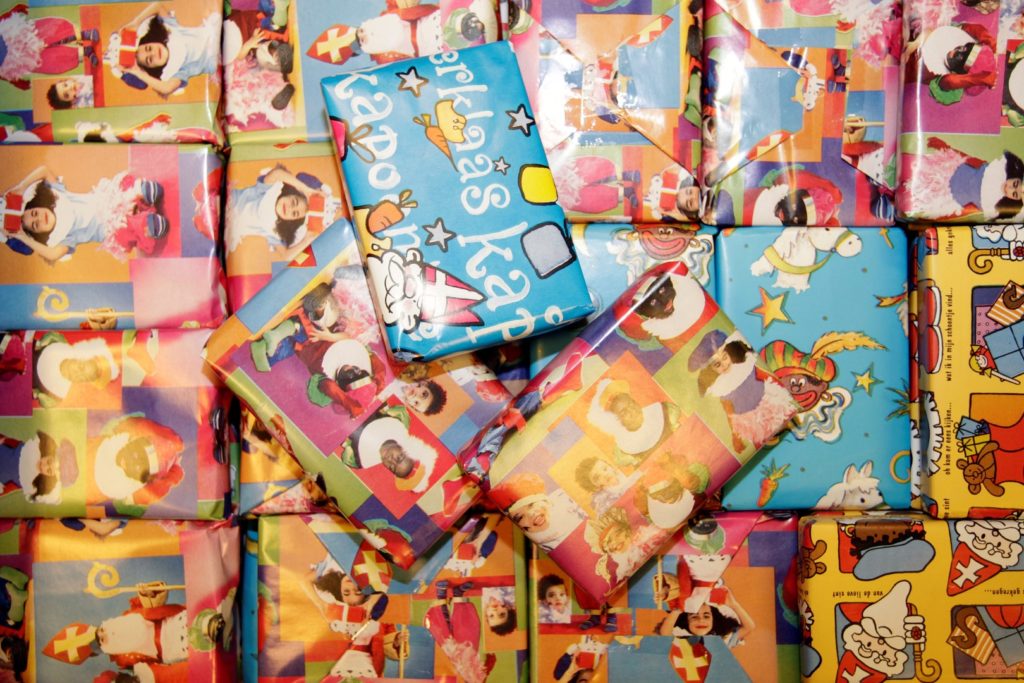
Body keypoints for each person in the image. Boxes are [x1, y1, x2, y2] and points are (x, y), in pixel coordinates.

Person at [2, 165, 168, 263]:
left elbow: (43, 170)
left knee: (121, 192)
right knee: (125, 228)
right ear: (41, 234)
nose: (39, 218)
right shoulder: (64, 238)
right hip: (111, 229)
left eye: (34, 213)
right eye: (36, 225)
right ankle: (145, 223)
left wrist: (21, 187)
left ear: (38, 205)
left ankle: (140, 194)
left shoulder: (58, 195)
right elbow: (52, 255)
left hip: (108, 202)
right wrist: (23, 237)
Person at [688, 330, 796, 453]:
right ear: (711, 369)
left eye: (725, 358)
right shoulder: (721, 388)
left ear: (729, 354)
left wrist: (783, 392)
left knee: (789, 422)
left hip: (770, 405)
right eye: (717, 365)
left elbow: (766, 376)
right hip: (751, 421)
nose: (724, 365)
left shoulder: (745, 366)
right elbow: (729, 412)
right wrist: (735, 436)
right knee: (766, 445)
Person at [109, 2, 219, 96]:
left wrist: (136, 22)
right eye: (150, 59)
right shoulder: (176, 71)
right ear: (154, 68)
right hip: (216, 57)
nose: (154, 53)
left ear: (151, 40)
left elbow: (158, 5)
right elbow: (166, 88)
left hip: (214, 31)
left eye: (149, 48)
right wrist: (138, 72)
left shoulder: (170, 31)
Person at [226, 164, 337, 257]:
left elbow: (286, 255)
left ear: (290, 220)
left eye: (294, 214)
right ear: (290, 194)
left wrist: (307, 239)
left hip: (228, 227)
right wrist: (307, 190)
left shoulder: (273, 230)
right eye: (293, 202)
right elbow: (277, 173)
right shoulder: (270, 190)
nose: (289, 208)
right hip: (229, 202)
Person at [341, 408, 438, 494]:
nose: (391, 461)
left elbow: (341, 437)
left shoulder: (358, 460)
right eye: (399, 458)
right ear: (405, 449)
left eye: (392, 467)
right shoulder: (399, 420)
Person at [0, 6, 98, 89]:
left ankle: (85, 34)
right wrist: (18, 83)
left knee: (51, 32)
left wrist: (12, 12)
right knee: (51, 61)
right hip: (17, 60)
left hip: (15, 36)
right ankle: (86, 51)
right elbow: (3, 75)